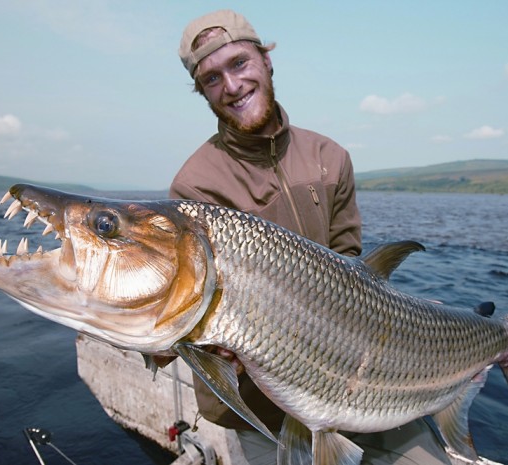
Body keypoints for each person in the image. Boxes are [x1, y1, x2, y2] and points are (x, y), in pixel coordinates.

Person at [170, 9, 451, 465]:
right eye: (212, 78)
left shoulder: (329, 156)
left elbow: (351, 264)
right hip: (264, 405)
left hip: (361, 377)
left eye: (240, 63)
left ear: (266, 60)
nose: (233, 85)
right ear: (202, 92)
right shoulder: (195, 186)